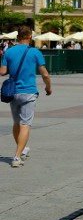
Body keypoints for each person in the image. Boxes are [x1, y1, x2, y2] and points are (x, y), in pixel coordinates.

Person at [1, 26, 52, 168]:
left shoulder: (9, 52)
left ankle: (22, 149)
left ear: (18, 37)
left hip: (13, 92)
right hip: (28, 92)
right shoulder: (35, 52)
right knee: (25, 124)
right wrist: (48, 87)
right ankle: (17, 156)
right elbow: (45, 74)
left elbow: (3, 71)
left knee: (17, 123)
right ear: (29, 36)